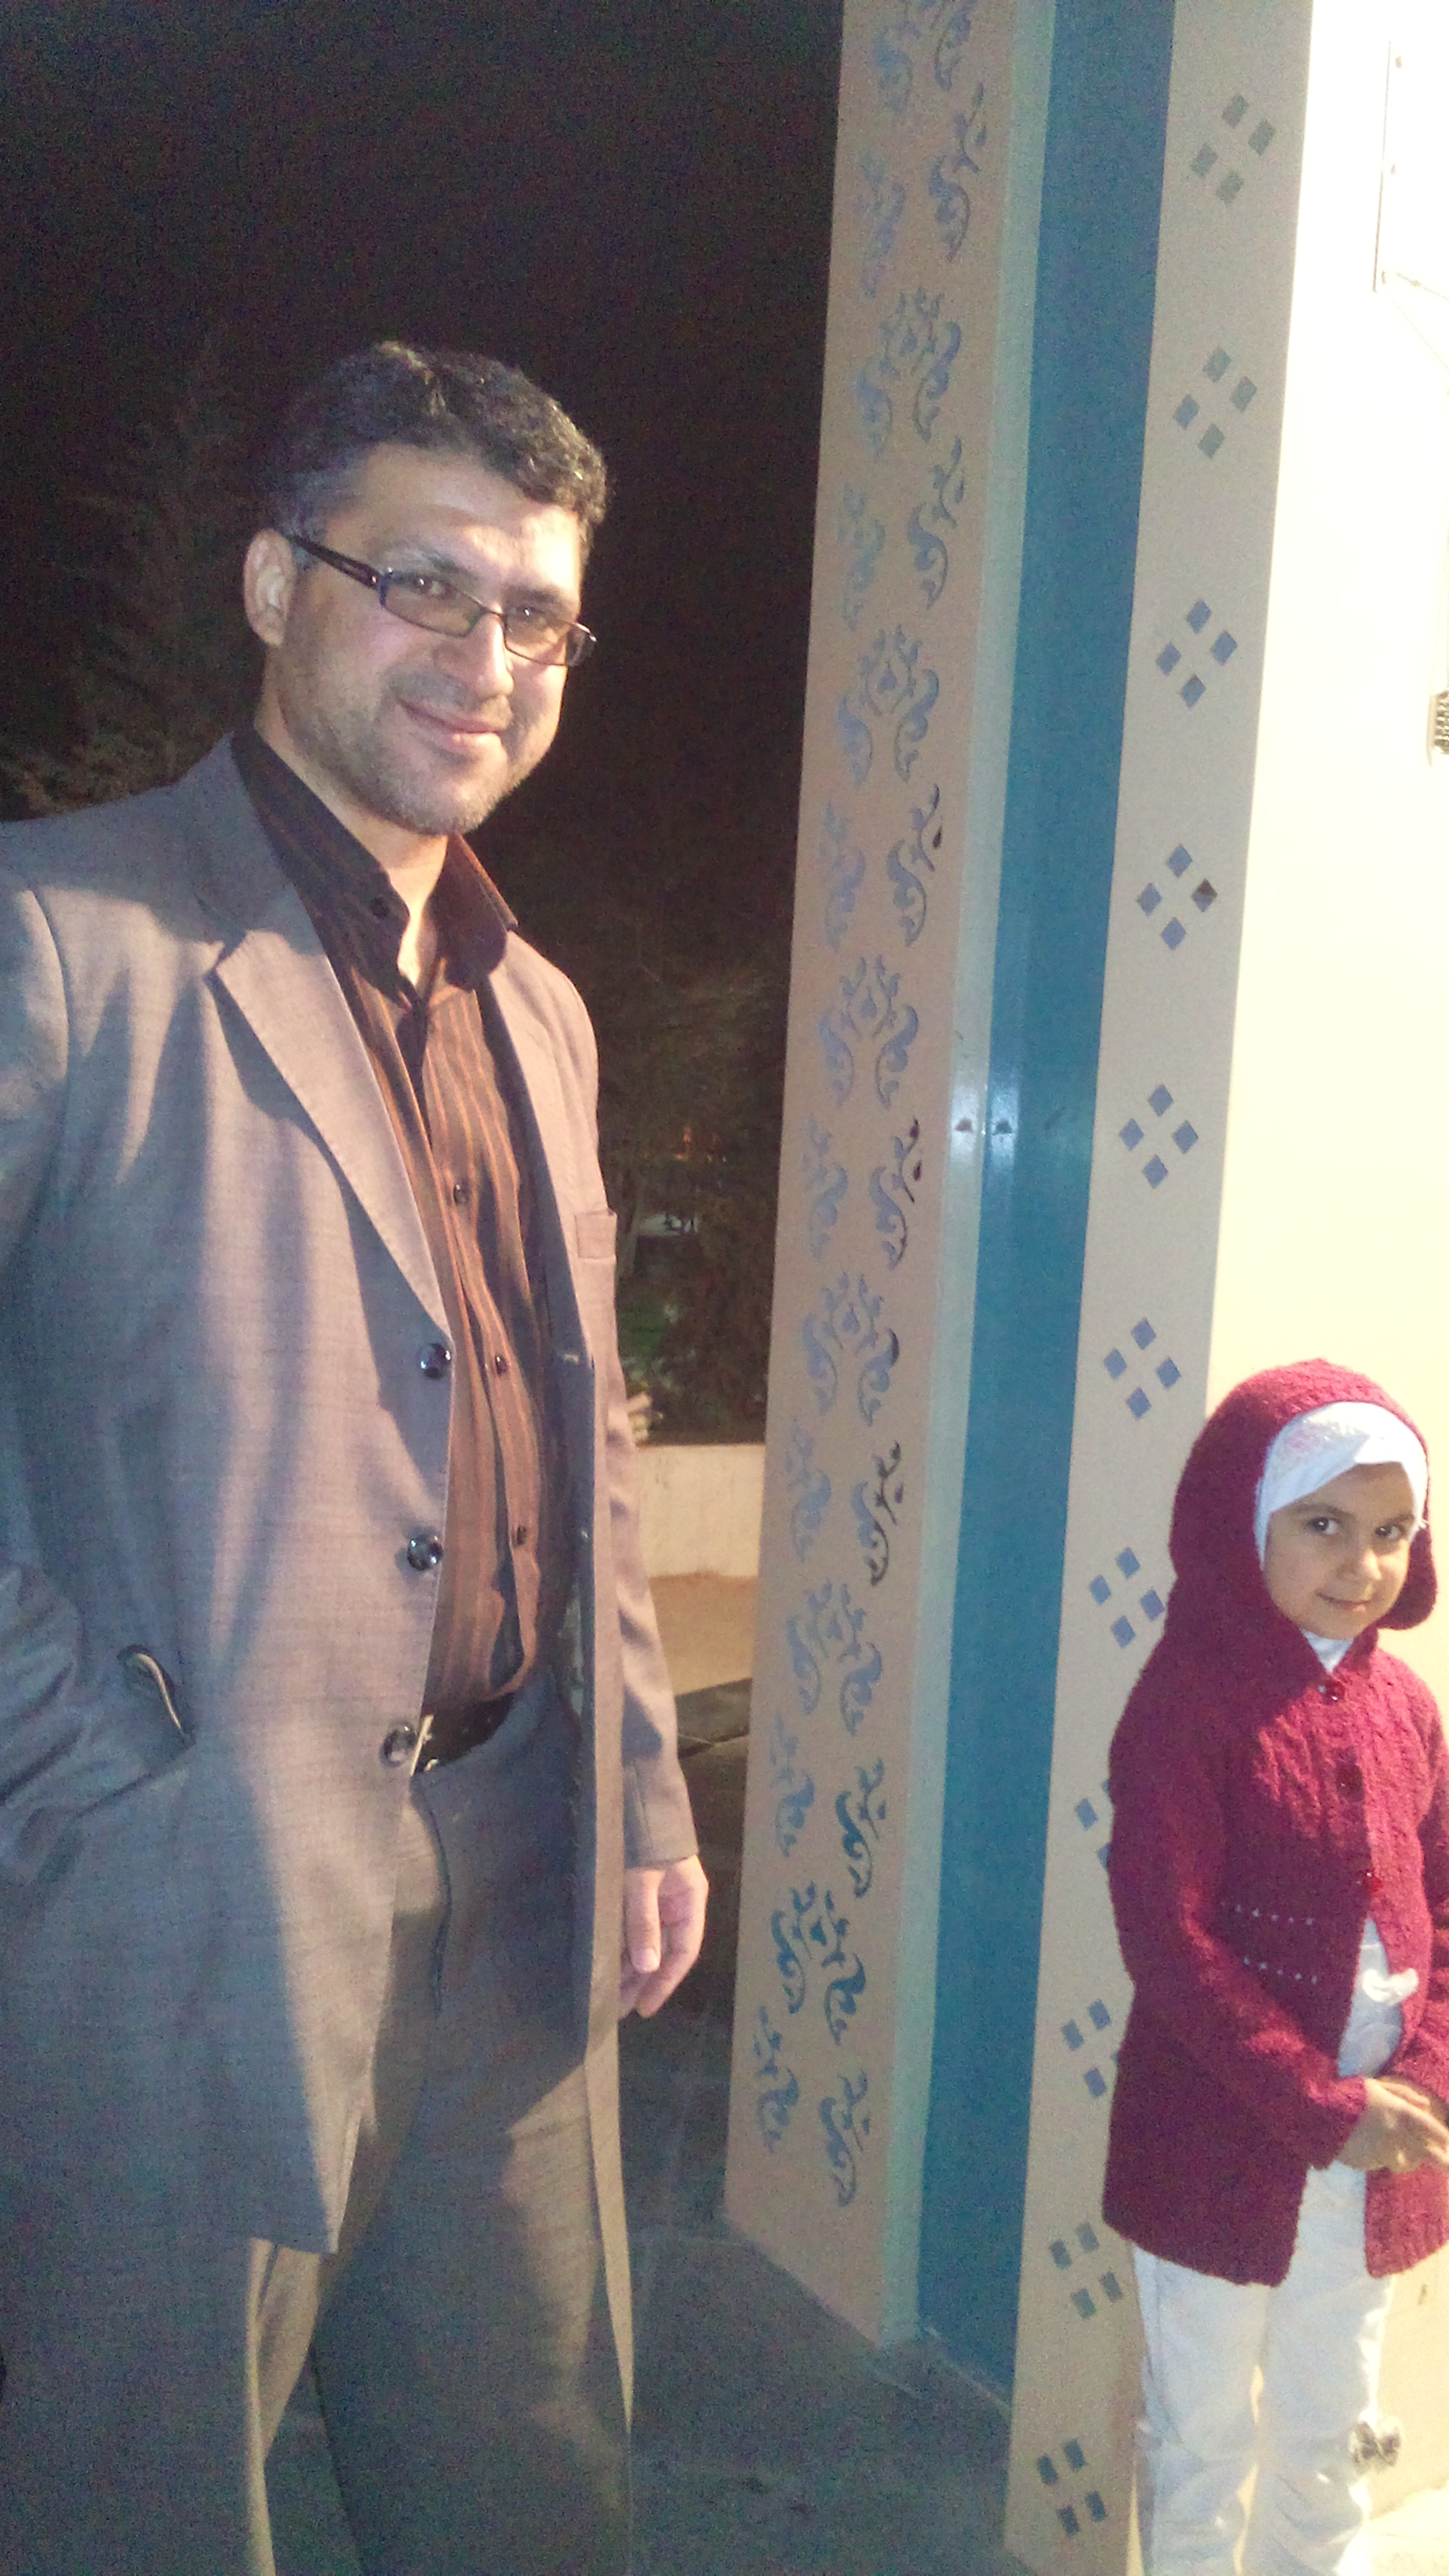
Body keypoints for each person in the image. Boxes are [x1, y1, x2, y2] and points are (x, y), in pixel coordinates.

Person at [0, 340, 707, 2576]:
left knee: (525, 2475)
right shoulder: (62, 937)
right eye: (424, 583)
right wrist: (84, 1775)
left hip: (520, 1872)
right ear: (270, 584)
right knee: (147, 2491)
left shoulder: (538, 1008)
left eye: (537, 613)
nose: (485, 657)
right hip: (189, 1884)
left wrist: (644, 1789)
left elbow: (576, 1434)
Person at [1104, 1358, 1449, 2576]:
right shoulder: (1186, 1702)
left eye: (1392, 1532)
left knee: (1332, 2431)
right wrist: (1318, 2105)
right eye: (1324, 1526)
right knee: (1200, 2440)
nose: (1362, 1564)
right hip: (1215, 2140)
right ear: (1242, 1518)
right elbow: (1169, 1938)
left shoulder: (1408, 1709)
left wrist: (1426, 2075)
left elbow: (1445, 1906)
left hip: (1375, 2155)